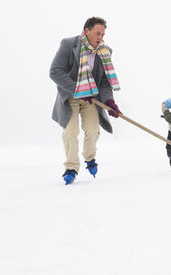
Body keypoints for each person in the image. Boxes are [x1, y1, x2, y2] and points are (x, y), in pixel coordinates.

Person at [50, 17, 122, 185]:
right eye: (98, 33)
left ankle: (90, 158)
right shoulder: (69, 45)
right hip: (70, 96)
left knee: (92, 130)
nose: (100, 37)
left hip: (91, 98)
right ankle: (71, 167)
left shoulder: (104, 51)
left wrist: (109, 102)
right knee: (70, 132)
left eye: (103, 34)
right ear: (86, 31)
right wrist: (78, 90)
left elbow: (104, 82)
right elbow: (55, 71)